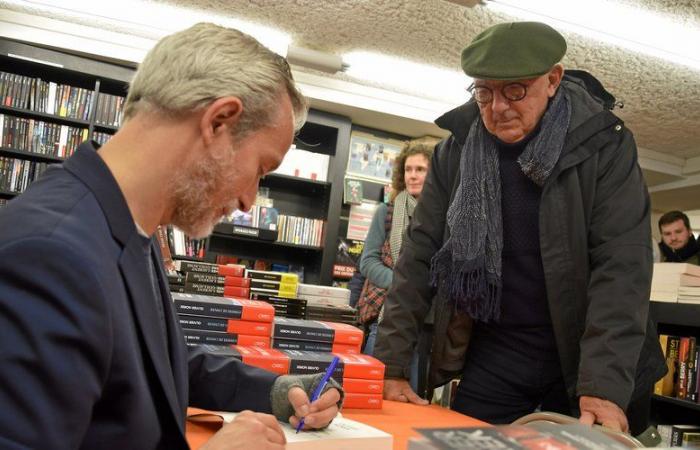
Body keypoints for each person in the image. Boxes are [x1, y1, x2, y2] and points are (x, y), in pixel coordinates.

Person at [0, 23, 342, 450]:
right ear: (219, 121)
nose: (249, 202)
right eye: (259, 170)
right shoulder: (50, 255)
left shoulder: (122, 226)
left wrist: (279, 389)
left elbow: (154, 363)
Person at [373, 21, 666, 435]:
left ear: (553, 80)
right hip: (499, 351)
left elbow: (621, 268)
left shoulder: (603, 145)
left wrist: (602, 386)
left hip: (588, 352)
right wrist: (393, 365)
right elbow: (418, 259)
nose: (498, 108)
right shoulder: (454, 152)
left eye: (515, 90)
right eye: (484, 91)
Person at [357, 139, 434, 363]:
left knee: (412, 391)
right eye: (408, 169)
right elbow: (368, 262)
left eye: (420, 169)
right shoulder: (386, 212)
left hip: (425, 320)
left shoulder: (440, 218)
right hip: (386, 314)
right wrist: (404, 285)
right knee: (375, 382)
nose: (412, 175)